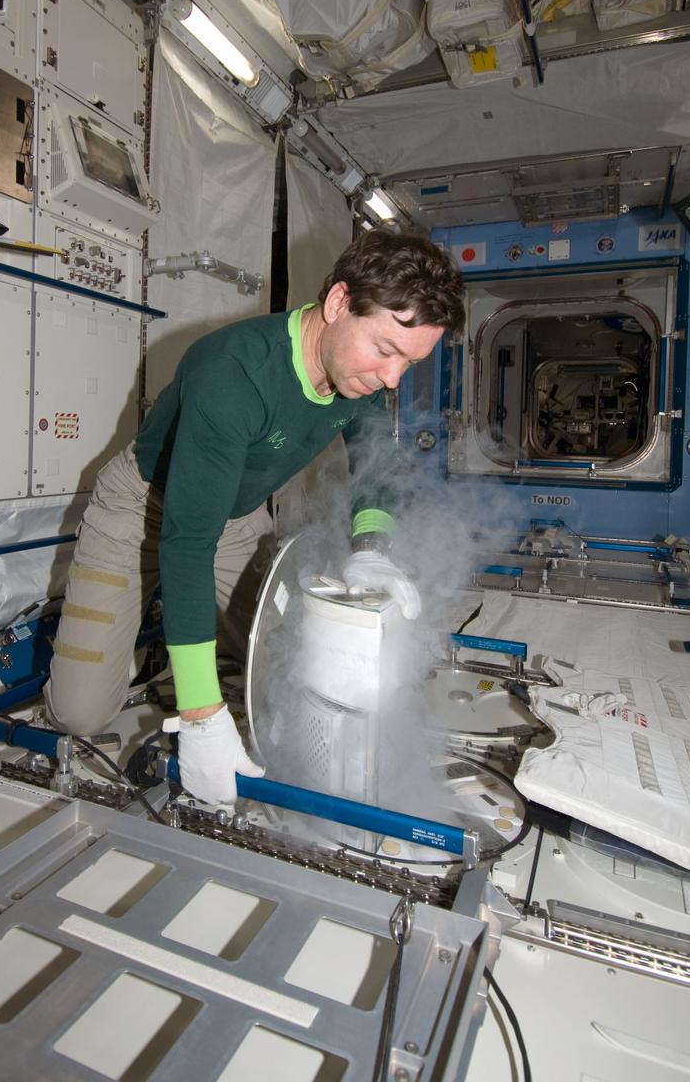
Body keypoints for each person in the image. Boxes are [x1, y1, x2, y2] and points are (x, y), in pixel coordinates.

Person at [44, 229, 465, 804]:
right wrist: (201, 717)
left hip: (234, 519)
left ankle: (189, 645)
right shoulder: (235, 373)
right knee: (81, 714)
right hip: (140, 508)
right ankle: (164, 656)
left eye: (409, 363)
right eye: (386, 350)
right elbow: (186, 543)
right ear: (339, 302)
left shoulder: (358, 375)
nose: (392, 378)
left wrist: (371, 550)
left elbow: (377, 464)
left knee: (296, 666)